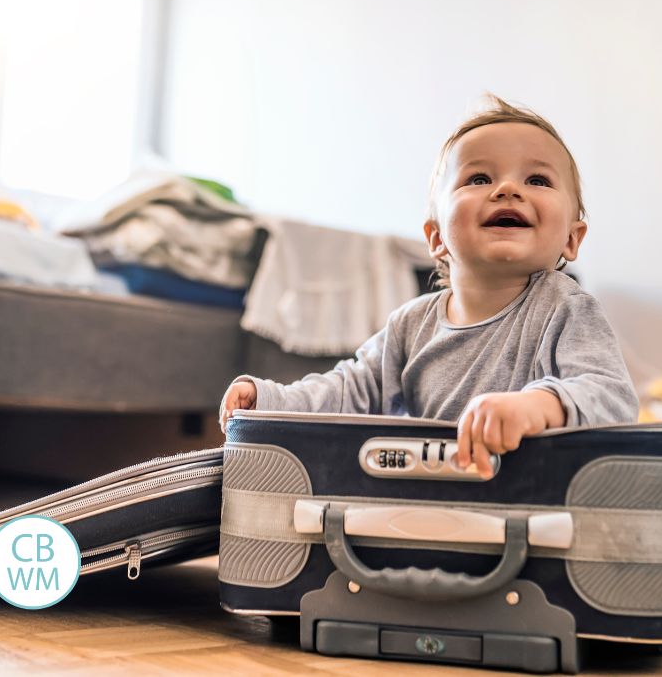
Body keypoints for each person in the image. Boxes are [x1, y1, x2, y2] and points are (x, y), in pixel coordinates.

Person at [219, 95, 638, 477]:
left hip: (534, 502)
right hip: (428, 496)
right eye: (478, 179)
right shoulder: (410, 324)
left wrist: (538, 405)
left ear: (572, 237)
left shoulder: (566, 309)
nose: (507, 189)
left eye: (538, 181)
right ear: (436, 237)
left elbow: (613, 397)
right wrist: (272, 401)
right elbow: (348, 390)